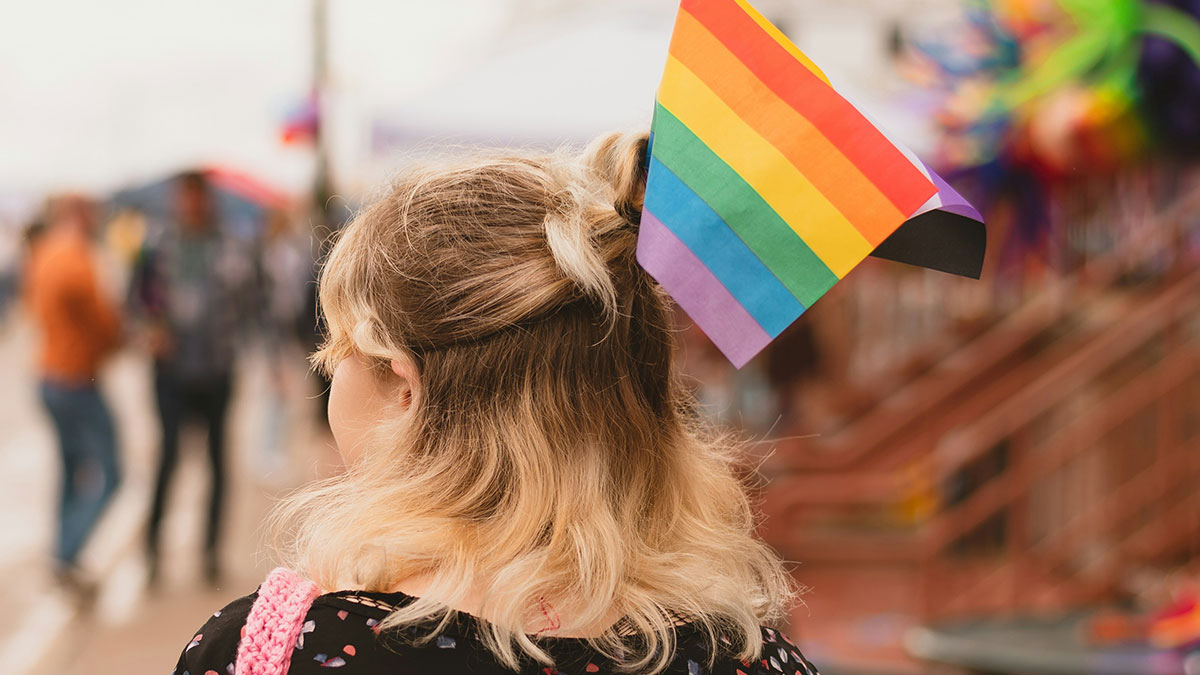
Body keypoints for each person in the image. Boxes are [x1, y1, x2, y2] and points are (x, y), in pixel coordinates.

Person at [173, 134, 819, 675]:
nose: (329, 369)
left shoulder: (273, 649)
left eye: (339, 344)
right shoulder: (756, 655)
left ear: (404, 387)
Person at [131, 171, 259, 585]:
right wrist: (149, 332)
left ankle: (209, 554)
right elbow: (134, 301)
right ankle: (152, 555)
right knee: (168, 460)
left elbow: (254, 301)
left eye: (196, 198)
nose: (189, 206)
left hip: (217, 370)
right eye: (183, 198)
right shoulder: (156, 246)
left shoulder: (230, 246)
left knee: (218, 464)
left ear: (207, 200)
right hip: (170, 372)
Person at [24, 195, 122, 585]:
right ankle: (67, 552)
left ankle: (61, 550)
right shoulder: (76, 260)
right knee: (112, 473)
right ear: (80, 214)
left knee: (69, 471)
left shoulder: (44, 253)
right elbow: (104, 323)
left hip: (48, 375)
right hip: (77, 379)